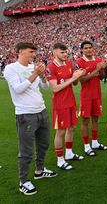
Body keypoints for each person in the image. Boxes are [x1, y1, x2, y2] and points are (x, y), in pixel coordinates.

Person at [4, 42, 57, 195]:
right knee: (26, 150)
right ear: (20, 52)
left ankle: (39, 171)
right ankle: (24, 181)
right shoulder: (11, 68)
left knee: (43, 144)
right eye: (31, 52)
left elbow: (45, 87)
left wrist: (42, 76)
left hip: (41, 110)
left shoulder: (33, 67)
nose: (34, 55)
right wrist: (35, 74)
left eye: (34, 52)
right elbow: (18, 89)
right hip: (25, 114)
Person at [46, 43, 86, 170]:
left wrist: (77, 76)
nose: (65, 54)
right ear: (54, 53)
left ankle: (69, 153)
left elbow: (74, 84)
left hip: (71, 101)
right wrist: (73, 78)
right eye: (62, 52)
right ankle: (60, 159)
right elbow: (55, 88)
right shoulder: (50, 67)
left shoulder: (69, 64)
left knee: (72, 127)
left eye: (66, 52)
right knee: (61, 131)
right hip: (60, 104)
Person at [77, 41, 107, 157]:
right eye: (86, 48)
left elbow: (102, 77)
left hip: (97, 94)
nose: (89, 50)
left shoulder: (98, 60)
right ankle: (86, 146)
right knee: (85, 121)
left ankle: (95, 143)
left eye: (90, 48)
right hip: (86, 96)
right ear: (82, 50)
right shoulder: (80, 62)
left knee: (95, 119)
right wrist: (96, 70)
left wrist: (101, 70)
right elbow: (82, 80)